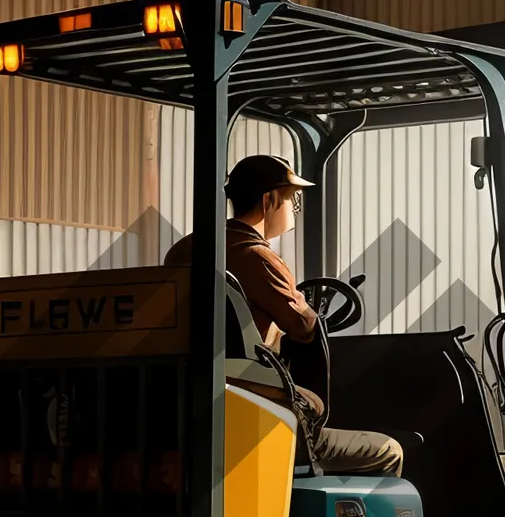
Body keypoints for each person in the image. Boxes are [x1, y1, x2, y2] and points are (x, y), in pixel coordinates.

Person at [164, 154, 403, 477]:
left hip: (189, 394)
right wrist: (303, 304)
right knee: (387, 450)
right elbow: (303, 326)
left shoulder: (184, 250)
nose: (294, 207)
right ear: (270, 199)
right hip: (247, 397)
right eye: (291, 199)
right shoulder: (258, 258)